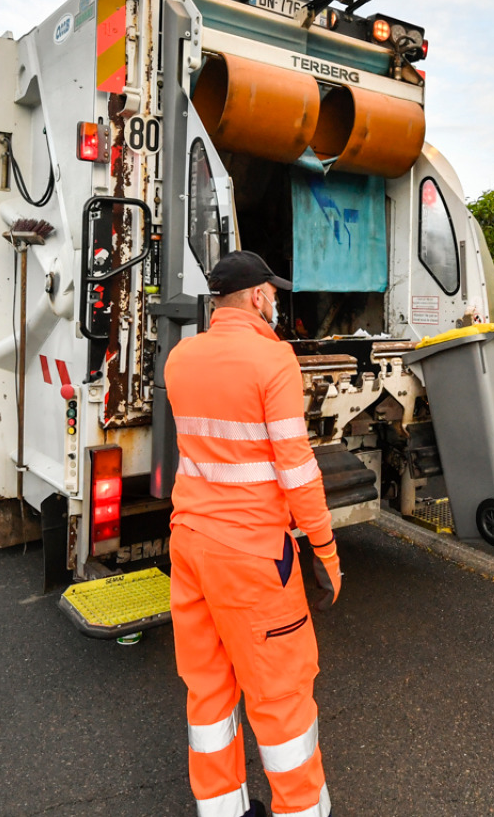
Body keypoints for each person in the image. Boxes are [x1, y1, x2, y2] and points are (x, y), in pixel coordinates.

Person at [164, 250, 341, 817]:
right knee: (281, 693)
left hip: (191, 542)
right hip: (253, 553)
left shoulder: (181, 358)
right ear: (260, 297)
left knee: (209, 689)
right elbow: (297, 467)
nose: (276, 301)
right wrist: (323, 547)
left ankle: (222, 809)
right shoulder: (274, 360)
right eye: (273, 292)